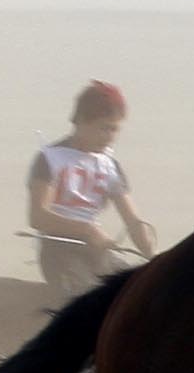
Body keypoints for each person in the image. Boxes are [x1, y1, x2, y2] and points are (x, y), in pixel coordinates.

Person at [27, 81, 153, 286]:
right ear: (81, 121)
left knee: (135, 289)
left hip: (96, 251)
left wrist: (152, 258)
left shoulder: (109, 165)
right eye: (104, 128)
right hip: (60, 252)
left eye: (114, 130)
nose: (110, 137)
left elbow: (132, 221)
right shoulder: (51, 158)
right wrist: (87, 230)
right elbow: (38, 217)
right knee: (88, 299)